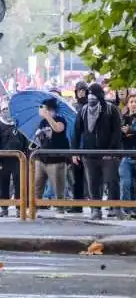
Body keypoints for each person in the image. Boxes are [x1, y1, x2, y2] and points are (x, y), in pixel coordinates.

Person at [72, 83, 123, 219]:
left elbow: (116, 133)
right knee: (93, 182)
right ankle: (96, 209)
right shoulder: (83, 110)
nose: (91, 98)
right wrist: (75, 152)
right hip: (89, 154)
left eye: (94, 94)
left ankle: (116, 208)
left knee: (112, 180)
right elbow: (76, 132)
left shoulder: (111, 110)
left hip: (109, 155)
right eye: (89, 94)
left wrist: (111, 152)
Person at [0, 101, 29, 217]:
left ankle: (19, 208)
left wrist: (25, 157)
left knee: (19, 184)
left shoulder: (19, 124)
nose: (7, 111)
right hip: (3, 160)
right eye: (4, 109)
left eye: (9, 109)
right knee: (3, 184)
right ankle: (4, 207)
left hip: (18, 159)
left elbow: (24, 143)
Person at [68, 81, 90, 212]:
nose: (81, 92)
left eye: (83, 90)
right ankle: (77, 205)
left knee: (93, 179)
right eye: (79, 90)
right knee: (77, 178)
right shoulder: (73, 107)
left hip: (89, 146)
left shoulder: (91, 106)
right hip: (77, 145)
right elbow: (72, 130)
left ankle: (95, 206)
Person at [120, 93, 136, 217]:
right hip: (126, 156)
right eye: (131, 102)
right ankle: (126, 209)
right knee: (126, 183)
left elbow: (129, 134)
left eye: (135, 102)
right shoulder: (123, 118)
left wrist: (131, 132)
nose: (134, 104)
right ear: (127, 104)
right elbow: (119, 136)